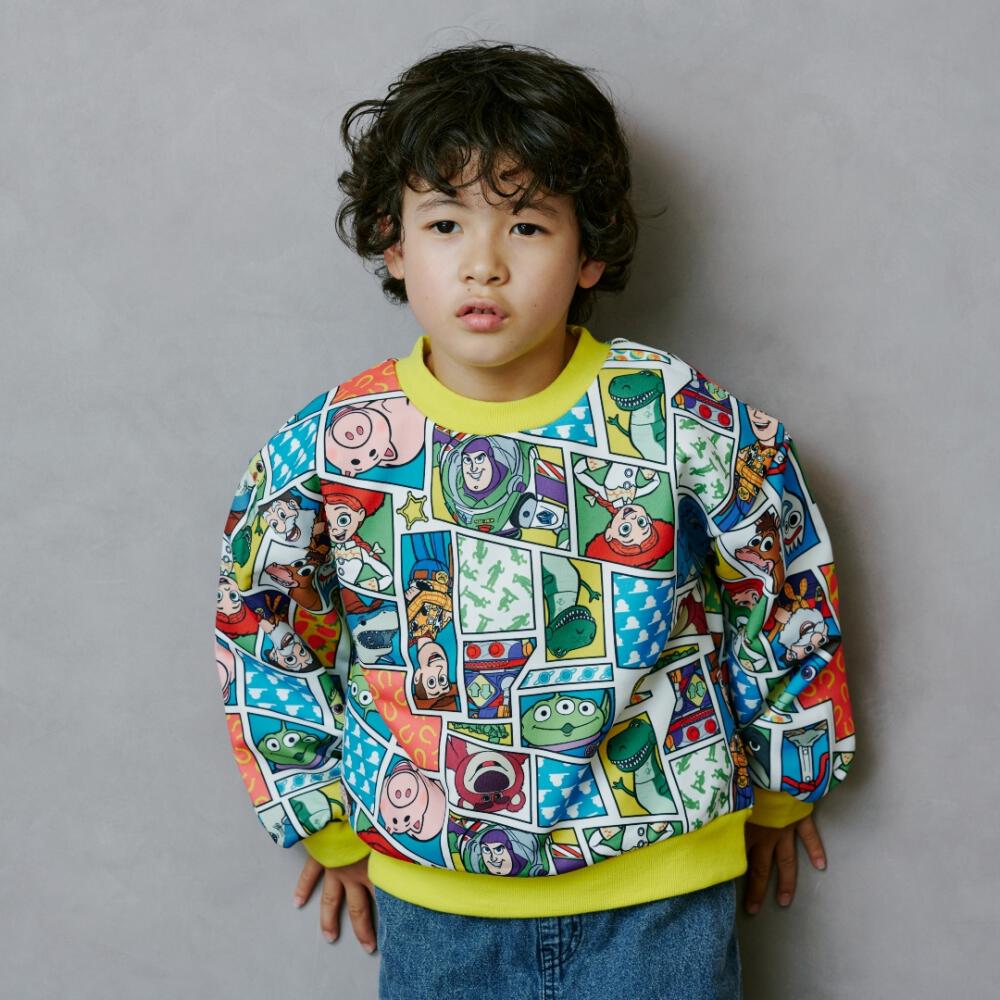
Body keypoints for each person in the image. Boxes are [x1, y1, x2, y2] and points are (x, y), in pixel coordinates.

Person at [212, 41, 857, 999]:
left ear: (590, 249)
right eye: (444, 223)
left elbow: (782, 578)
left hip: (662, 894)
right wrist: (321, 818)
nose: (483, 265)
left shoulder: (680, 418)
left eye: (525, 225)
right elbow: (263, 620)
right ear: (394, 244)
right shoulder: (331, 447)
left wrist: (786, 781)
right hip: (436, 906)